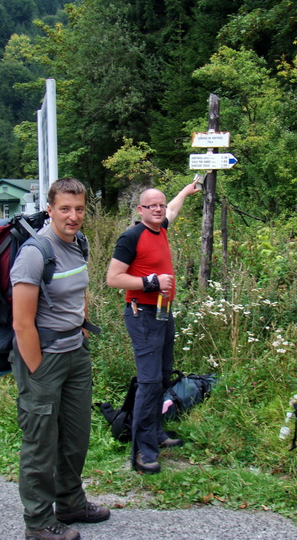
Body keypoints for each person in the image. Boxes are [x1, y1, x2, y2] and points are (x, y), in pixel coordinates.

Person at [10, 178, 110, 540]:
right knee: (40, 442)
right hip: (43, 360)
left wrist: (82, 328)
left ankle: (70, 502)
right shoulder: (36, 252)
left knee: (75, 436)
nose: (73, 216)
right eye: (65, 209)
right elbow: (22, 323)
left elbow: (80, 290)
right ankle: (38, 523)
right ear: (49, 209)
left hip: (75, 354)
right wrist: (37, 370)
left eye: (79, 209)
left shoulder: (79, 243)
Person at [106, 180, 200, 474]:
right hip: (141, 314)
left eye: (160, 204)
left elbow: (172, 209)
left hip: (162, 312)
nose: (159, 209)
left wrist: (185, 191)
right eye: (152, 206)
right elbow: (113, 278)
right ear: (140, 209)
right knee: (148, 384)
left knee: (161, 376)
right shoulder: (132, 236)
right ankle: (141, 452)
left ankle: (156, 434)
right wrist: (151, 282)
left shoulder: (161, 228)